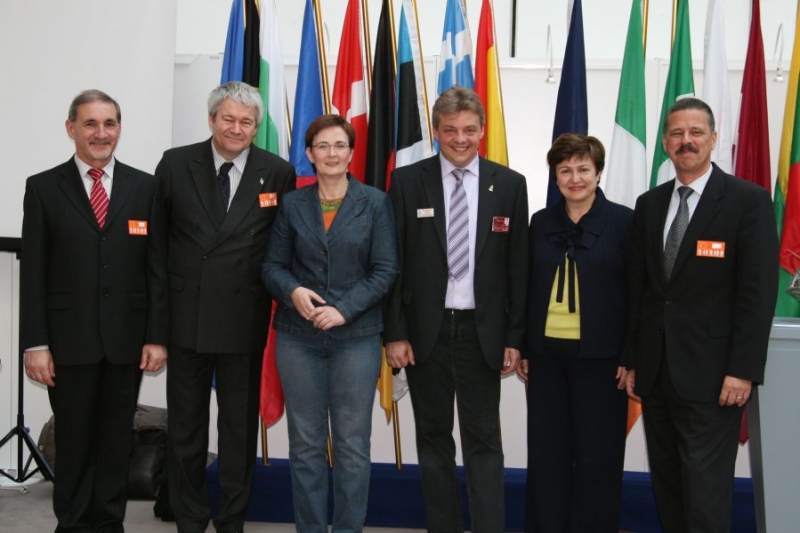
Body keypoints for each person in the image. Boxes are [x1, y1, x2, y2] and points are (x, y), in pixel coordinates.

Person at [626, 97, 778, 533]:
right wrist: (633, 359)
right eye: (676, 133)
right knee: (670, 486)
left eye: (695, 132)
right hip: (657, 374)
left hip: (715, 378)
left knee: (705, 493)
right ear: (665, 143)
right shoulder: (649, 204)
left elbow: (757, 295)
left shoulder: (747, 201)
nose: (686, 141)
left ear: (713, 139)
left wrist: (743, 370)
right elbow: (641, 291)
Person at [20, 89, 169, 532]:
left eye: (109, 124)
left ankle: (107, 524)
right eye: (90, 124)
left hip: (127, 341)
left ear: (119, 129)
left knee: (115, 442)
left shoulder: (146, 187)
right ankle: (72, 524)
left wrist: (157, 336)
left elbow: (156, 269)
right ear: (71, 129)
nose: (101, 133)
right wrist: (35, 343)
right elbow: (34, 274)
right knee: (74, 442)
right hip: (68, 342)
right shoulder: (43, 187)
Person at [384, 86, 528, 533]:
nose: (460, 139)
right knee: (433, 441)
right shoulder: (407, 181)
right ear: (435, 130)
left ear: (482, 130)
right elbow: (393, 263)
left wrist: (515, 338)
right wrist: (395, 332)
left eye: (468, 130)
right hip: (424, 334)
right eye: (450, 130)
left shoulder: (510, 184)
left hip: (482, 334)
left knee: (484, 442)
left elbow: (518, 268)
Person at [155, 81, 295, 533]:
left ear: (257, 127)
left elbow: (281, 247)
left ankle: (232, 519)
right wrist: (156, 324)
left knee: (238, 430)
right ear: (212, 118)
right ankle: (190, 518)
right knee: (186, 428)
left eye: (246, 122)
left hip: (244, 318)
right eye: (228, 119)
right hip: (186, 317)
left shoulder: (278, 171)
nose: (237, 128)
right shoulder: (175, 164)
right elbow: (156, 248)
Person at [261, 114, 398, 532]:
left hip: (356, 339)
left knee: (352, 446)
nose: (331, 153)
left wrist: (344, 309)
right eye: (322, 146)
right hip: (297, 339)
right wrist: (292, 291)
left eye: (339, 145)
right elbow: (271, 266)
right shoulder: (292, 204)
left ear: (351, 153)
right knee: (305, 447)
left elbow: (386, 269)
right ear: (309, 153)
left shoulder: (375, 203)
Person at [517, 133, 631, 532]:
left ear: (598, 173)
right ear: (555, 176)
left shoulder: (624, 222)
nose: (575, 178)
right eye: (565, 170)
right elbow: (525, 286)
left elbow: (639, 294)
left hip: (603, 361)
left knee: (598, 458)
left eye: (583, 169)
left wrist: (630, 356)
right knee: (547, 455)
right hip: (546, 359)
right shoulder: (540, 222)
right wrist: (524, 346)